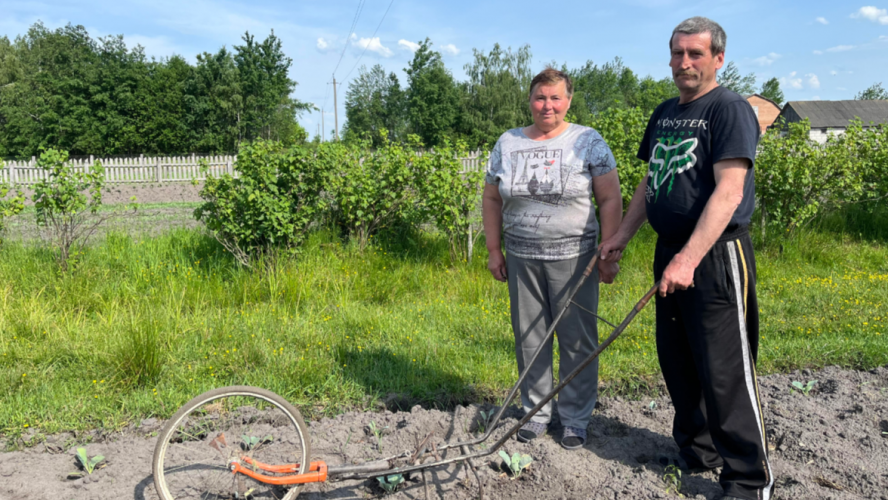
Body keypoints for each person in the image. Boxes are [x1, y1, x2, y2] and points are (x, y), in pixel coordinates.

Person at [599, 17, 773, 500]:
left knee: (725, 369)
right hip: (670, 251)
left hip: (715, 255)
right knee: (678, 361)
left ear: (718, 58)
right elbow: (650, 181)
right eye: (677, 53)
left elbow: (729, 191)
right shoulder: (665, 113)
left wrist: (690, 258)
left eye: (695, 54)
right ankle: (698, 450)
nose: (684, 63)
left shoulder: (729, 109)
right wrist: (621, 236)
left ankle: (748, 480)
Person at [482, 67, 622, 450]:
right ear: (529, 101)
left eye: (555, 98)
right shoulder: (507, 143)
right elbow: (492, 198)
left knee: (577, 340)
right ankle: (535, 412)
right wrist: (495, 250)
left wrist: (610, 251)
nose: (547, 105)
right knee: (530, 339)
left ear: (568, 101)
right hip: (521, 258)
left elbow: (610, 199)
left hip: (576, 258)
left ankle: (575, 419)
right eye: (540, 97)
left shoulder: (588, 141)